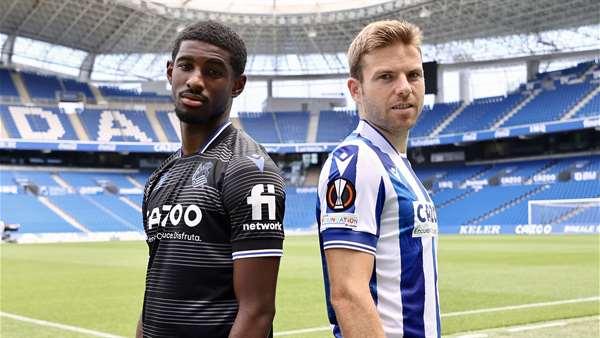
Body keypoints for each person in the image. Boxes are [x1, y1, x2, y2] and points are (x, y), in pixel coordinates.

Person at [136, 21, 285, 338]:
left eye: (213, 72)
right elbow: (153, 293)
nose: (194, 80)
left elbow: (257, 311)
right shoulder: (160, 177)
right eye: (185, 66)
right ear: (169, 72)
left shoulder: (249, 172)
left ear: (237, 85)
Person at [316, 20, 441, 338]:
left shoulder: (396, 163)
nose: (405, 87)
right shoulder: (356, 162)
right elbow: (348, 294)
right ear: (355, 90)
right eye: (386, 77)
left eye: (414, 74)